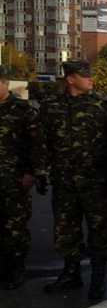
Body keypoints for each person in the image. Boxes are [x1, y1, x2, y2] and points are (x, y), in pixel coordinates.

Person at [41, 59, 107, 300]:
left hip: (94, 181)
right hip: (63, 180)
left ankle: (98, 277)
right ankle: (71, 272)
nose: (91, 78)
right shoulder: (51, 104)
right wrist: (39, 170)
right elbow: (42, 141)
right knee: (66, 228)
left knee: (99, 228)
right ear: (70, 79)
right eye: (85, 75)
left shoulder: (103, 103)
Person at [0, 66, 48, 289]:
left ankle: (16, 268)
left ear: (6, 83)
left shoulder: (23, 110)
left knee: (15, 225)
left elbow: (37, 145)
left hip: (13, 179)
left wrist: (32, 172)